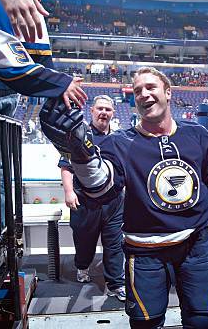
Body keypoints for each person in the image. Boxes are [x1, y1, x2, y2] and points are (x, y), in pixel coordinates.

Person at [40, 67, 208, 329]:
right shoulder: (119, 143)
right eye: (138, 90)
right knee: (146, 324)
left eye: (151, 87)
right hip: (145, 251)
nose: (144, 94)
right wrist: (80, 154)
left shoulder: (198, 135)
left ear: (168, 92)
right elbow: (100, 187)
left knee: (201, 320)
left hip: (197, 244)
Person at [59, 95, 126, 301]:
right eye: (100, 109)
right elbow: (66, 166)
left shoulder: (119, 139)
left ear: (113, 113)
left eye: (108, 109)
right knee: (84, 240)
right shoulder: (79, 135)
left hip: (114, 203)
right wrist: (69, 192)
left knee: (115, 243)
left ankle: (116, 283)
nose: (104, 112)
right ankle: (82, 266)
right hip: (84, 201)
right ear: (92, 111)